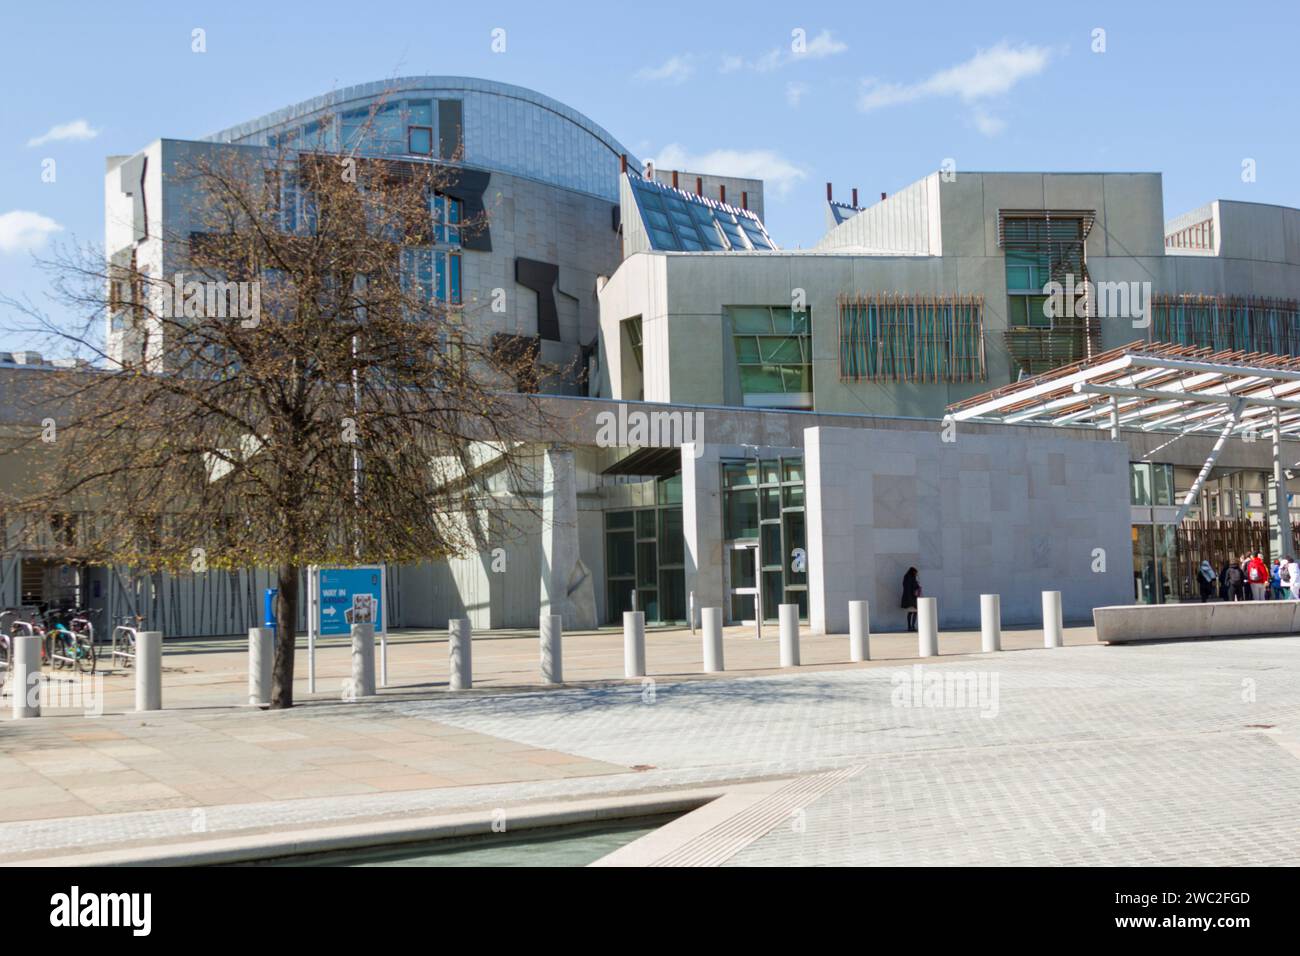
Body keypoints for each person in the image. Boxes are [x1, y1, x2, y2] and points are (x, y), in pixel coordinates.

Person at [901, 567, 920, 632]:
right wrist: (917, 585)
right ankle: (912, 626)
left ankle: (910, 627)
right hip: (912, 597)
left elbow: (907, 586)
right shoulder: (910, 577)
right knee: (915, 611)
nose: (916, 574)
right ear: (913, 571)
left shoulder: (907, 577)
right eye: (915, 572)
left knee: (910, 612)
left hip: (909, 597)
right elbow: (912, 586)